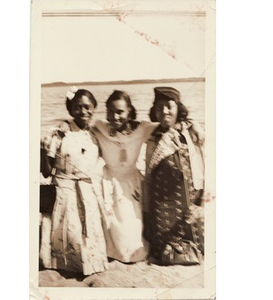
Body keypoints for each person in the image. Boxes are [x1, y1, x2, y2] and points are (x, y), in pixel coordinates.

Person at [40, 87, 108, 276]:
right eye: (78, 107)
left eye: (88, 107)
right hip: (65, 191)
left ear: (94, 108)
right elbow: (46, 171)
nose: (83, 112)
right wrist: (43, 147)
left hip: (87, 191)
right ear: (71, 110)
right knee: (69, 233)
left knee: (89, 235)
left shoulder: (95, 135)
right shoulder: (60, 134)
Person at [92, 90, 158, 263]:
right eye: (111, 111)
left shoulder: (141, 129)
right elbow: (80, 128)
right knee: (111, 224)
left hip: (132, 181)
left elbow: (165, 126)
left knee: (132, 229)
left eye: (120, 111)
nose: (115, 116)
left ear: (129, 112)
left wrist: (190, 123)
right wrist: (61, 126)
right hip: (109, 181)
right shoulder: (100, 128)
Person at [143, 86, 205, 265]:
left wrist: (202, 203)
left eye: (169, 106)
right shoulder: (153, 136)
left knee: (195, 239)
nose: (164, 111)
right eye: (159, 107)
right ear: (154, 110)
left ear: (178, 108)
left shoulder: (190, 133)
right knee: (164, 251)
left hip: (188, 198)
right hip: (162, 203)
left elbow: (205, 164)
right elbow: (149, 174)